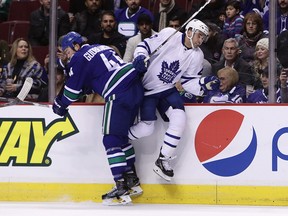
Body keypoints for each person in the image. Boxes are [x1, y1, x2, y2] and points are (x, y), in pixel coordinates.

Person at [52, 31, 144, 205]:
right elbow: (92, 78)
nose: (67, 56)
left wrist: (60, 105)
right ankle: (132, 180)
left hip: (119, 92)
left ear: (76, 46)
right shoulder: (99, 47)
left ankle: (121, 185)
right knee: (121, 138)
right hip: (135, 87)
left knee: (110, 140)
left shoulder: (78, 58)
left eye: (67, 52)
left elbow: (71, 92)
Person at [128, 19, 209, 181]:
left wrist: (203, 86)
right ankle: (122, 138)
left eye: (203, 38)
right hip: (147, 90)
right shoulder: (169, 35)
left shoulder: (197, 55)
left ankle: (163, 159)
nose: (201, 40)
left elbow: (188, 81)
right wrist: (139, 57)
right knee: (146, 128)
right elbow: (144, 46)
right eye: (199, 36)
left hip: (167, 89)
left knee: (180, 119)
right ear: (189, 31)